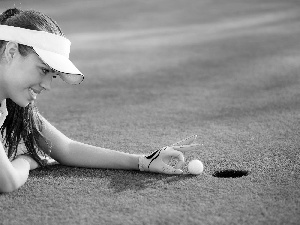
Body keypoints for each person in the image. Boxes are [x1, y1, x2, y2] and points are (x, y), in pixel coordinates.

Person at [0, 8, 200, 193]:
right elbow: (7, 181)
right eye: (43, 70)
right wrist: (27, 160)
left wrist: (142, 161)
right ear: (10, 52)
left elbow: (65, 149)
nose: (47, 85)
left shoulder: (11, 102)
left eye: (52, 75)